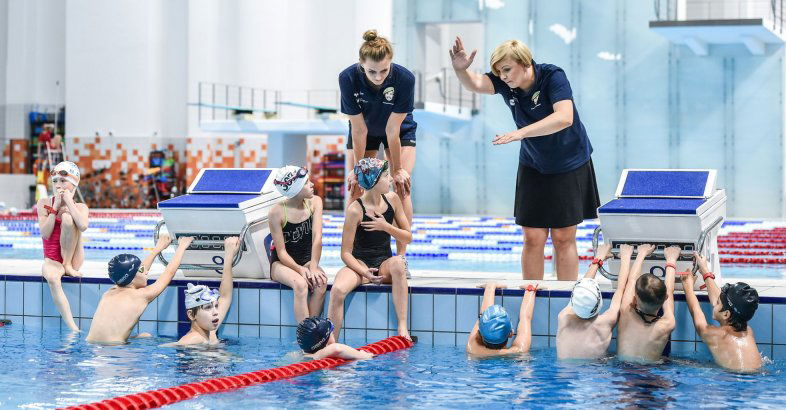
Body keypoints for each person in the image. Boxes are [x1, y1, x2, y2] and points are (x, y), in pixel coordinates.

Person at [450, 37, 599, 281]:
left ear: (525, 62)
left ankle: (564, 298)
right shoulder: (506, 83)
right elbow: (476, 83)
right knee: (533, 237)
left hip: (569, 162)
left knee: (563, 237)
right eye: (499, 71)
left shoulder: (552, 77)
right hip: (534, 163)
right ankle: (533, 296)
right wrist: (460, 70)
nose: (503, 76)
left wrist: (520, 133)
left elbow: (564, 117)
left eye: (507, 69)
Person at [339, 29, 417, 257]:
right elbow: (359, 130)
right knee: (356, 186)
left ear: (391, 62)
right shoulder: (348, 78)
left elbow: (392, 130)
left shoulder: (404, 78)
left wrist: (398, 169)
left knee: (402, 187)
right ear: (361, 64)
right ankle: (353, 254)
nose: (378, 76)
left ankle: (401, 257)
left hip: (399, 129)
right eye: (372, 71)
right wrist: (358, 170)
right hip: (365, 128)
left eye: (384, 70)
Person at [327, 158, 412, 341]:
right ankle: (330, 342)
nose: (390, 180)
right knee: (337, 290)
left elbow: (408, 237)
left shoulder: (392, 200)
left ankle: (402, 326)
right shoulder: (355, 210)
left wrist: (386, 227)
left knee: (399, 264)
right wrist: (364, 271)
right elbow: (345, 253)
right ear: (373, 181)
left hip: (384, 264)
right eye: (386, 176)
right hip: (360, 265)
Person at [86, 235, 193, 344]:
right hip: (115, 350)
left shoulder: (109, 292)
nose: (146, 271)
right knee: (146, 338)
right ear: (131, 278)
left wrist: (158, 248)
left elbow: (135, 272)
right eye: (142, 270)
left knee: (144, 336)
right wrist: (182, 247)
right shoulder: (140, 296)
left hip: (92, 345)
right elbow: (169, 273)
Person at [681, 252, 762, 372]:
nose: (715, 303)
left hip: (730, 380)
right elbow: (720, 301)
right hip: (755, 377)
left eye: (718, 303)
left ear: (726, 314)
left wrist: (688, 287)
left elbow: (696, 311)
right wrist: (705, 271)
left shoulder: (715, 335)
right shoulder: (748, 332)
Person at [269, 166, 328, 324]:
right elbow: (281, 252)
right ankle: (303, 336)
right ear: (294, 189)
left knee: (321, 283)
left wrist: (313, 266)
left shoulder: (315, 202)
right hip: (282, 264)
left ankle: (312, 331)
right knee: (300, 285)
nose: (312, 184)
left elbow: (317, 237)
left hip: (307, 260)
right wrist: (299, 269)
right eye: (306, 182)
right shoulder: (277, 212)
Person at [556, 244, 634, 360]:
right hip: (596, 373)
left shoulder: (563, 317)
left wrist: (598, 258)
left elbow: (581, 290)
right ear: (598, 303)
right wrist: (626, 257)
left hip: (564, 376)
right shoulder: (605, 322)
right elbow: (621, 288)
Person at [37, 161, 89, 331]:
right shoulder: (44, 203)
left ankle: (67, 264)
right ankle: (73, 327)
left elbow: (82, 226)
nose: (58, 185)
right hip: (52, 259)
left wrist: (69, 204)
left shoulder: (81, 207)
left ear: (74, 183)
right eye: (55, 181)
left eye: (63, 181)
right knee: (52, 278)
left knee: (68, 218)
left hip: (73, 259)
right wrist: (55, 208)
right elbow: (45, 233)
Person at [616, 245, 678, 363]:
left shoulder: (626, 313)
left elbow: (632, 280)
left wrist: (641, 253)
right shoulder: (667, 323)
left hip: (624, 374)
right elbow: (669, 291)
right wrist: (671, 259)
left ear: (634, 300)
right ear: (665, 298)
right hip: (652, 375)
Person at [174, 238, 241, 346]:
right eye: (208, 307)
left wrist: (229, 254)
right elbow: (171, 347)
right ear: (191, 315)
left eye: (216, 306)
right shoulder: (193, 339)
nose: (216, 312)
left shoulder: (210, 333)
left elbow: (225, 296)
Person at [467, 282, 539, 356]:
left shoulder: (473, 348)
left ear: (479, 333)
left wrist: (490, 287)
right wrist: (530, 289)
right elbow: (525, 318)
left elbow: (483, 316)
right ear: (511, 333)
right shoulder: (519, 351)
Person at [296, 317, 373, 360]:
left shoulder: (299, 355)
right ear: (325, 341)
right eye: (331, 332)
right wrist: (363, 356)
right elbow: (336, 349)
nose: (333, 333)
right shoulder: (318, 355)